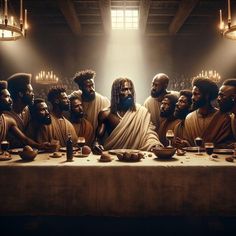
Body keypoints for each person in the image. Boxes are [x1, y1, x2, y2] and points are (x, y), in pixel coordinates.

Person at [93, 77, 162, 153]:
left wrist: (154, 144)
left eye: (130, 89)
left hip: (136, 158)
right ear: (116, 93)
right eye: (124, 89)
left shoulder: (141, 112)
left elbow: (149, 133)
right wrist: (96, 145)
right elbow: (98, 139)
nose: (129, 93)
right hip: (113, 157)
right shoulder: (105, 114)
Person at [0, 81, 50, 150]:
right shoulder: (8, 115)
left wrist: (39, 145)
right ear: (20, 94)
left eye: (10, 96)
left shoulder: (8, 120)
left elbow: (24, 139)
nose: (11, 100)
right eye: (6, 96)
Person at [183, 77, 232, 147]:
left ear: (207, 95)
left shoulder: (223, 118)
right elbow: (188, 142)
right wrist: (184, 143)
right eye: (192, 94)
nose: (192, 98)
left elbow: (226, 144)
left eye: (196, 94)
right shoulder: (189, 118)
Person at [5, 73, 34, 148]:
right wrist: (40, 146)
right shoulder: (6, 113)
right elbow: (24, 139)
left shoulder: (27, 110)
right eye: (30, 91)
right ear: (20, 94)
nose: (33, 94)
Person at [217, 78, 236, 144]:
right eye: (218, 95)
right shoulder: (232, 117)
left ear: (233, 97)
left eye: (221, 95)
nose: (218, 99)